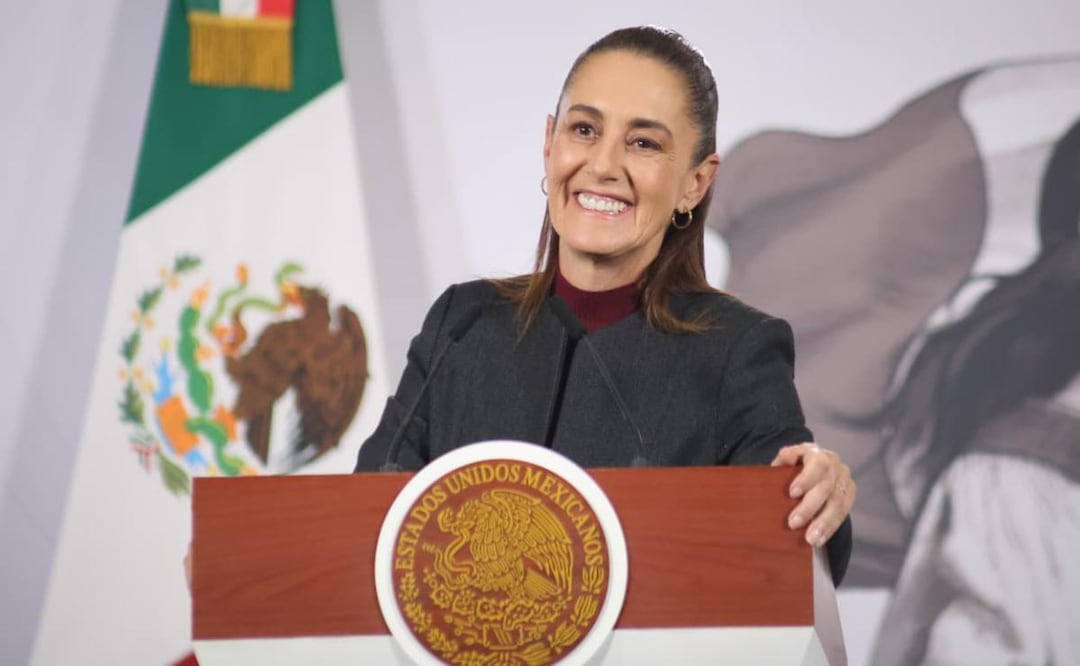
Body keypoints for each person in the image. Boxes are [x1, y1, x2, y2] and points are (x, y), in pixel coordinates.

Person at [354, 26, 855, 582]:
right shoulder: (461, 325)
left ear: (696, 182)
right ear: (550, 144)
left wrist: (819, 488)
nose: (603, 165)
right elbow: (363, 522)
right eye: (584, 129)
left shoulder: (736, 351)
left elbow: (791, 546)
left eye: (644, 142)